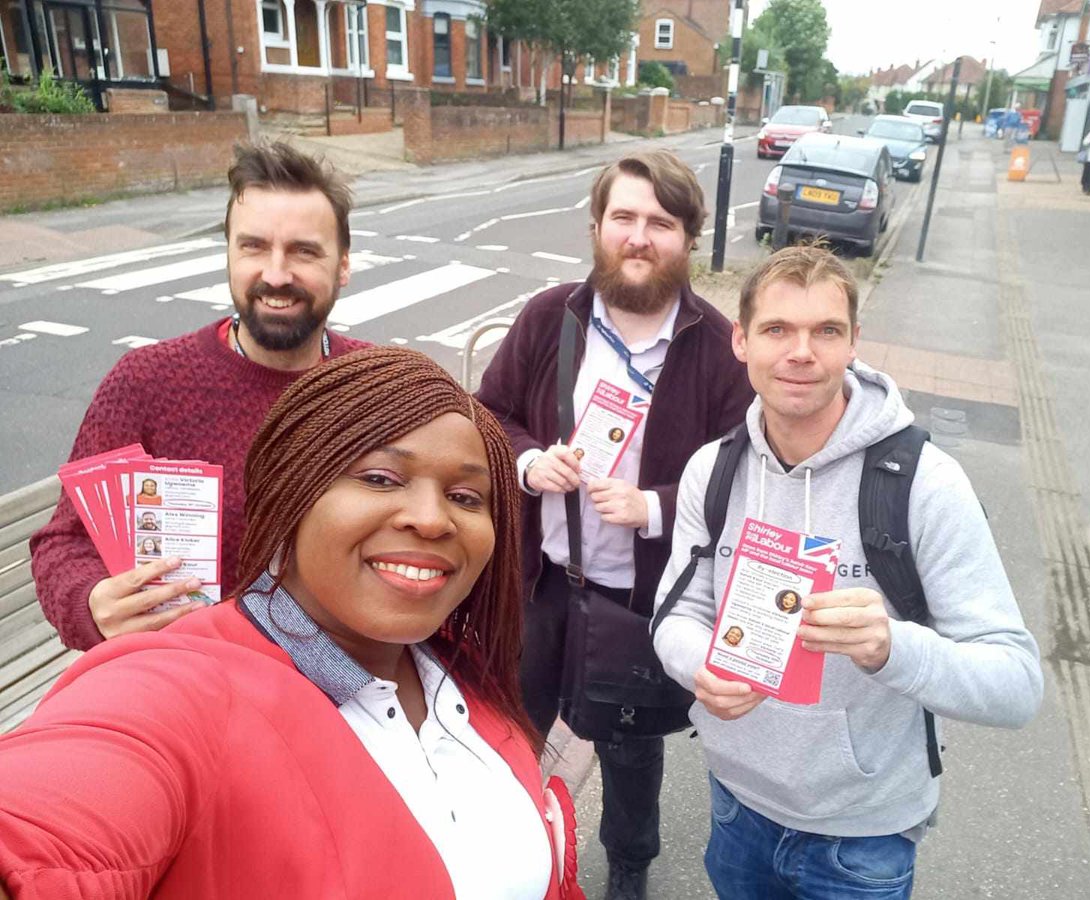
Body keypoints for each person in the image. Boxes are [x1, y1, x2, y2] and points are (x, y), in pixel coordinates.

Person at [0, 348, 584, 900]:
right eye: (379, 479)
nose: (433, 520)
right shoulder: (180, 691)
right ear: (289, 496)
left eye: (465, 495)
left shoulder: (459, 664)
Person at [652, 246, 1043, 899]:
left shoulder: (925, 484)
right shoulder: (712, 471)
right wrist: (700, 666)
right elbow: (678, 614)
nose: (801, 352)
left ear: (854, 342)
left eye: (825, 331)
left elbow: (1016, 685)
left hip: (861, 837)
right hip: (736, 803)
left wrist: (894, 648)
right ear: (741, 342)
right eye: (777, 329)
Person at [477, 149, 755, 900]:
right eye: (624, 218)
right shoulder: (550, 318)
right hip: (541, 582)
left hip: (643, 596)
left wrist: (657, 505)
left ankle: (628, 863)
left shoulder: (719, 351)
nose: (639, 237)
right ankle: (515, 850)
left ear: (688, 240)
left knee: (630, 743)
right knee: (514, 723)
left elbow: (741, 475)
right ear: (597, 227)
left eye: (660, 223)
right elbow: (488, 412)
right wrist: (531, 462)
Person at [30, 140, 371, 652]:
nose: (276, 274)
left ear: (342, 266)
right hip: (189, 668)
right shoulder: (147, 381)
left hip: (347, 673)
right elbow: (66, 540)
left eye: (304, 251)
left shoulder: (377, 384)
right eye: (253, 246)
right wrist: (90, 602)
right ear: (229, 255)